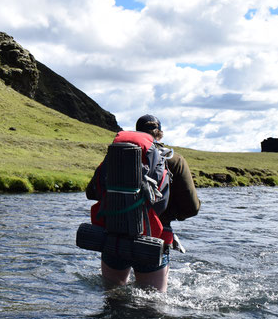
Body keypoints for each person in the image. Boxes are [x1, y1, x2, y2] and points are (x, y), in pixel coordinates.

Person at [85, 114, 200, 291]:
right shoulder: (174, 160)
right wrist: (167, 215)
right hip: (154, 238)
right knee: (152, 305)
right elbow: (191, 208)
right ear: (160, 134)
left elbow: (92, 192)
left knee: (112, 299)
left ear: (138, 132)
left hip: (114, 236)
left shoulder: (117, 155)